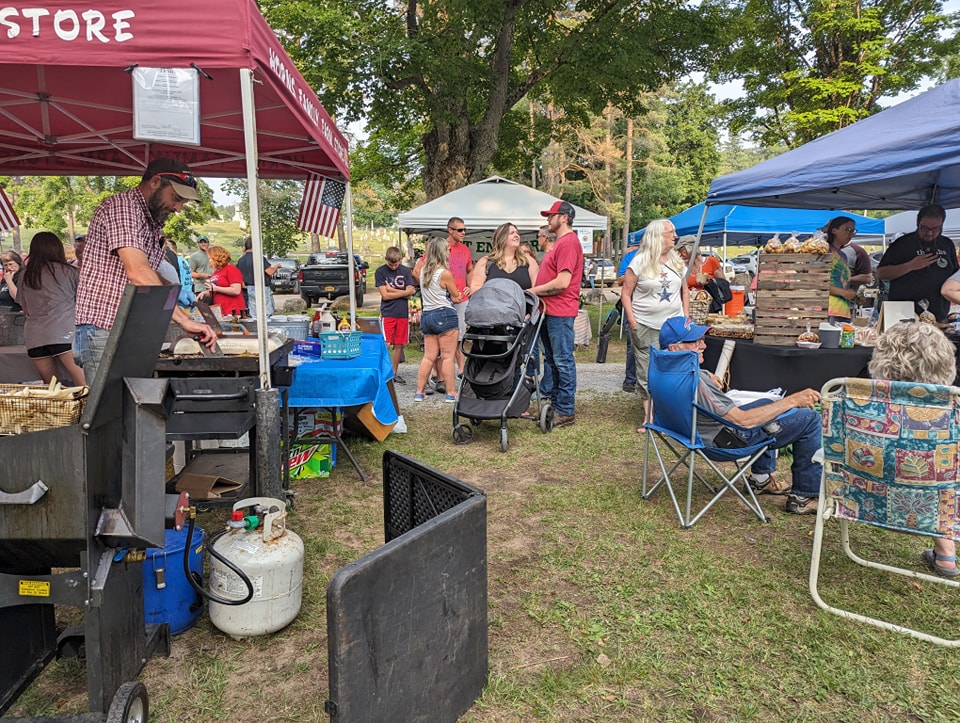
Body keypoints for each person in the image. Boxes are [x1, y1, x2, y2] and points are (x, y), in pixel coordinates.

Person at [659, 316, 823, 515]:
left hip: (691, 432)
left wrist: (704, 372)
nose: (703, 345)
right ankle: (804, 496)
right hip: (727, 441)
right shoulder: (696, 381)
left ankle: (761, 479)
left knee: (767, 402)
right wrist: (793, 400)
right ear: (675, 348)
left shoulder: (662, 370)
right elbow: (744, 422)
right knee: (809, 418)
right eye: (695, 342)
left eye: (702, 339)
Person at [75, 157, 215, 380]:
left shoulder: (150, 222)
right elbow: (138, 273)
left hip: (128, 330)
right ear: (155, 182)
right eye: (176, 198)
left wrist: (173, 292)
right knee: (109, 413)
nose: (178, 208)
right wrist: (183, 320)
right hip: (104, 330)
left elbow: (146, 273)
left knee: (131, 410)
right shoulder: (123, 208)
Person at [867, 322, 959, 575]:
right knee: (939, 474)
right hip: (940, 501)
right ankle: (946, 549)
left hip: (865, 504)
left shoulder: (861, 407)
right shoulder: (955, 413)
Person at [621, 219, 689, 429]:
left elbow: (684, 291)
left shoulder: (677, 261)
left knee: (673, 369)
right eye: (671, 232)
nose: (675, 235)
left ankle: (669, 414)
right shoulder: (639, 262)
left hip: (674, 326)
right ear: (658, 236)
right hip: (645, 324)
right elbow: (626, 293)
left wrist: (686, 318)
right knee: (646, 371)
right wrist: (632, 320)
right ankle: (649, 416)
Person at [529, 200, 584, 428]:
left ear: (563, 217)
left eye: (551, 216)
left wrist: (531, 291)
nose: (548, 220)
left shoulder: (568, 243)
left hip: (560, 311)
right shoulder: (561, 243)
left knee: (562, 360)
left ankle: (566, 410)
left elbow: (562, 282)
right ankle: (557, 403)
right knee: (553, 360)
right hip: (550, 310)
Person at [16, 231, 85, 386]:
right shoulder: (70, 271)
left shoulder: (25, 275)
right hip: (64, 332)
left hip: (35, 336)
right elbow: (83, 303)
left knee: (53, 388)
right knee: (83, 383)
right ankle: (88, 411)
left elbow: (25, 309)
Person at [413, 217, 474, 391]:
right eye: (460, 230)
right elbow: (417, 272)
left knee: (458, 338)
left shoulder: (465, 250)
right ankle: (442, 381)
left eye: (464, 229)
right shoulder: (438, 247)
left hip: (459, 299)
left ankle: (461, 371)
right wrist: (432, 288)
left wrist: (470, 286)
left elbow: (470, 270)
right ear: (450, 230)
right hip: (443, 302)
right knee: (441, 349)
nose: (464, 233)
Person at [877, 205, 958, 322]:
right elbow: (881, 273)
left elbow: (955, 275)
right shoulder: (902, 243)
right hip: (903, 313)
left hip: (938, 313)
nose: (930, 233)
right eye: (925, 228)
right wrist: (910, 266)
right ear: (917, 223)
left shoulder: (947, 244)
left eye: (936, 229)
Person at [414, 237, 461, 403]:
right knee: (448, 356)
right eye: (447, 248)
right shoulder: (445, 273)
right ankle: (451, 392)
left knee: (428, 357)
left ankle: (419, 392)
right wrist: (462, 294)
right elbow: (455, 297)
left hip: (427, 315)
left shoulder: (423, 272)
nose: (450, 251)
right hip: (444, 314)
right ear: (442, 251)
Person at [376, 246, 417, 384]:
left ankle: (394, 372)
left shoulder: (405, 271)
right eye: (391, 264)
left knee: (399, 344)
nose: (393, 267)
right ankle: (382, 371)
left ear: (400, 259)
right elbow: (385, 296)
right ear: (386, 259)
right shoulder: (380, 271)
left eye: (396, 264)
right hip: (388, 312)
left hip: (402, 313)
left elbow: (411, 291)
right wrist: (402, 292)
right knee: (386, 343)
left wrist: (391, 289)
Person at [468, 222, 539, 292]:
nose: (516, 235)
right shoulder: (485, 262)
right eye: (512, 233)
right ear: (502, 238)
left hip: (522, 303)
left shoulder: (529, 261)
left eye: (517, 233)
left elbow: (537, 288)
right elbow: (475, 288)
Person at [617, 236, 641, 393]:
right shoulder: (632, 257)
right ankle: (631, 379)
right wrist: (637, 274)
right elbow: (619, 279)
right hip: (633, 304)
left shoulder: (662, 257)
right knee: (633, 342)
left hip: (655, 307)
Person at [236, 238, 280, 319]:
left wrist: (244, 285)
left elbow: (238, 276)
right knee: (266, 313)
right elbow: (269, 272)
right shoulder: (259, 258)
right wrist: (277, 266)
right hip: (261, 288)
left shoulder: (241, 260)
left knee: (253, 315)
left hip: (248, 289)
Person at [825, 216, 858, 324]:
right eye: (847, 229)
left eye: (853, 231)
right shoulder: (825, 251)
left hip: (843, 310)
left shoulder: (843, 255)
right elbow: (815, 281)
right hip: (828, 310)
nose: (850, 234)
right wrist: (844, 292)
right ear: (834, 230)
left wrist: (851, 295)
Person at [199, 245, 246, 318]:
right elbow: (217, 289)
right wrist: (206, 293)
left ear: (217, 258)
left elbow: (236, 290)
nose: (209, 261)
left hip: (233, 311)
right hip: (221, 310)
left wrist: (216, 288)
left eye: (210, 258)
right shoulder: (216, 272)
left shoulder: (231, 269)